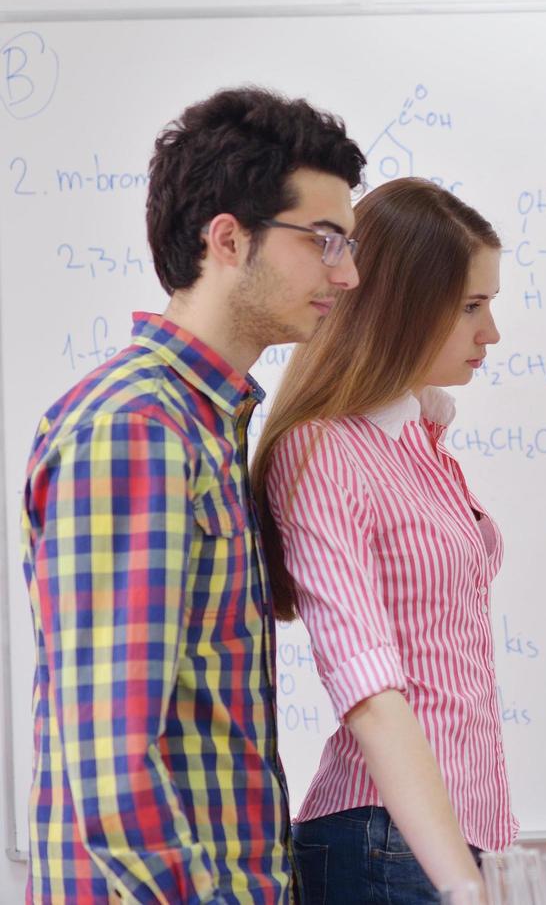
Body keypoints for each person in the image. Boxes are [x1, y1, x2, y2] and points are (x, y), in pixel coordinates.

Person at [22, 87, 365, 903]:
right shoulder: (136, 427)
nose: (346, 275)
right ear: (227, 238)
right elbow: (110, 770)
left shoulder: (210, 422)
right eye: (324, 242)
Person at [252, 177, 516, 903]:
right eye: (470, 307)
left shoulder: (419, 440)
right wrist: (463, 886)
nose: (490, 333)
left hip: (446, 834)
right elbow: (367, 689)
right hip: (384, 840)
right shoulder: (322, 451)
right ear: (398, 305)